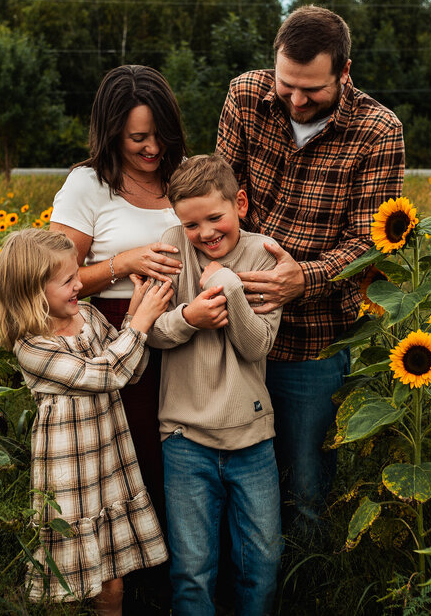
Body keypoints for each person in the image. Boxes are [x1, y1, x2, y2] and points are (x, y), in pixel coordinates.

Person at [215, 5, 405, 547]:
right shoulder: (247, 96)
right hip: (233, 325)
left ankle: (310, 584)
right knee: (229, 473)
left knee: (306, 484)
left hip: (313, 338)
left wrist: (307, 279)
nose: (296, 100)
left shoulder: (377, 131)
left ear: (345, 72)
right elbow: (218, 198)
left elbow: (371, 243)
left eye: (313, 90)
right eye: (287, 85)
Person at [49, 64, 187, 611]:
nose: (152, 147)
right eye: (137, 138)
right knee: (137, 470)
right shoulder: (88, 184)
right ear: (111, 134)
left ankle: (188, 588)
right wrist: (122, 263)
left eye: (160, 135)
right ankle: (138, 595)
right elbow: (52, 279)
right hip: (120, 342)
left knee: (185, 469)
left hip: (189, 340)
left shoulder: (184, 177)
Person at [0, 228, 175, 614]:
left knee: (112, 580)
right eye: (67, 281)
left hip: (108, 462)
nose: (80, 284)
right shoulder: (32, 346)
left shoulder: (89, 317)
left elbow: (134, 369)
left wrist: (134, 316)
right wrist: (138, 325)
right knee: (72, 584)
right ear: (32, 291)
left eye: (77, 273)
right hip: (69, 474)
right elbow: (105, 376)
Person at [146, 154, 283, 616]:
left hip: (251, 437)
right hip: (184, 437)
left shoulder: (265, 254)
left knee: (262, 561)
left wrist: (232, 289)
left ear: (239, 203)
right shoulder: (169, 249)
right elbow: (145, 330)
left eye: (214, 217)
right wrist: (189, 317)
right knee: (192, 570)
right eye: (190, 224)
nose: (204, 233)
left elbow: (257, 345)